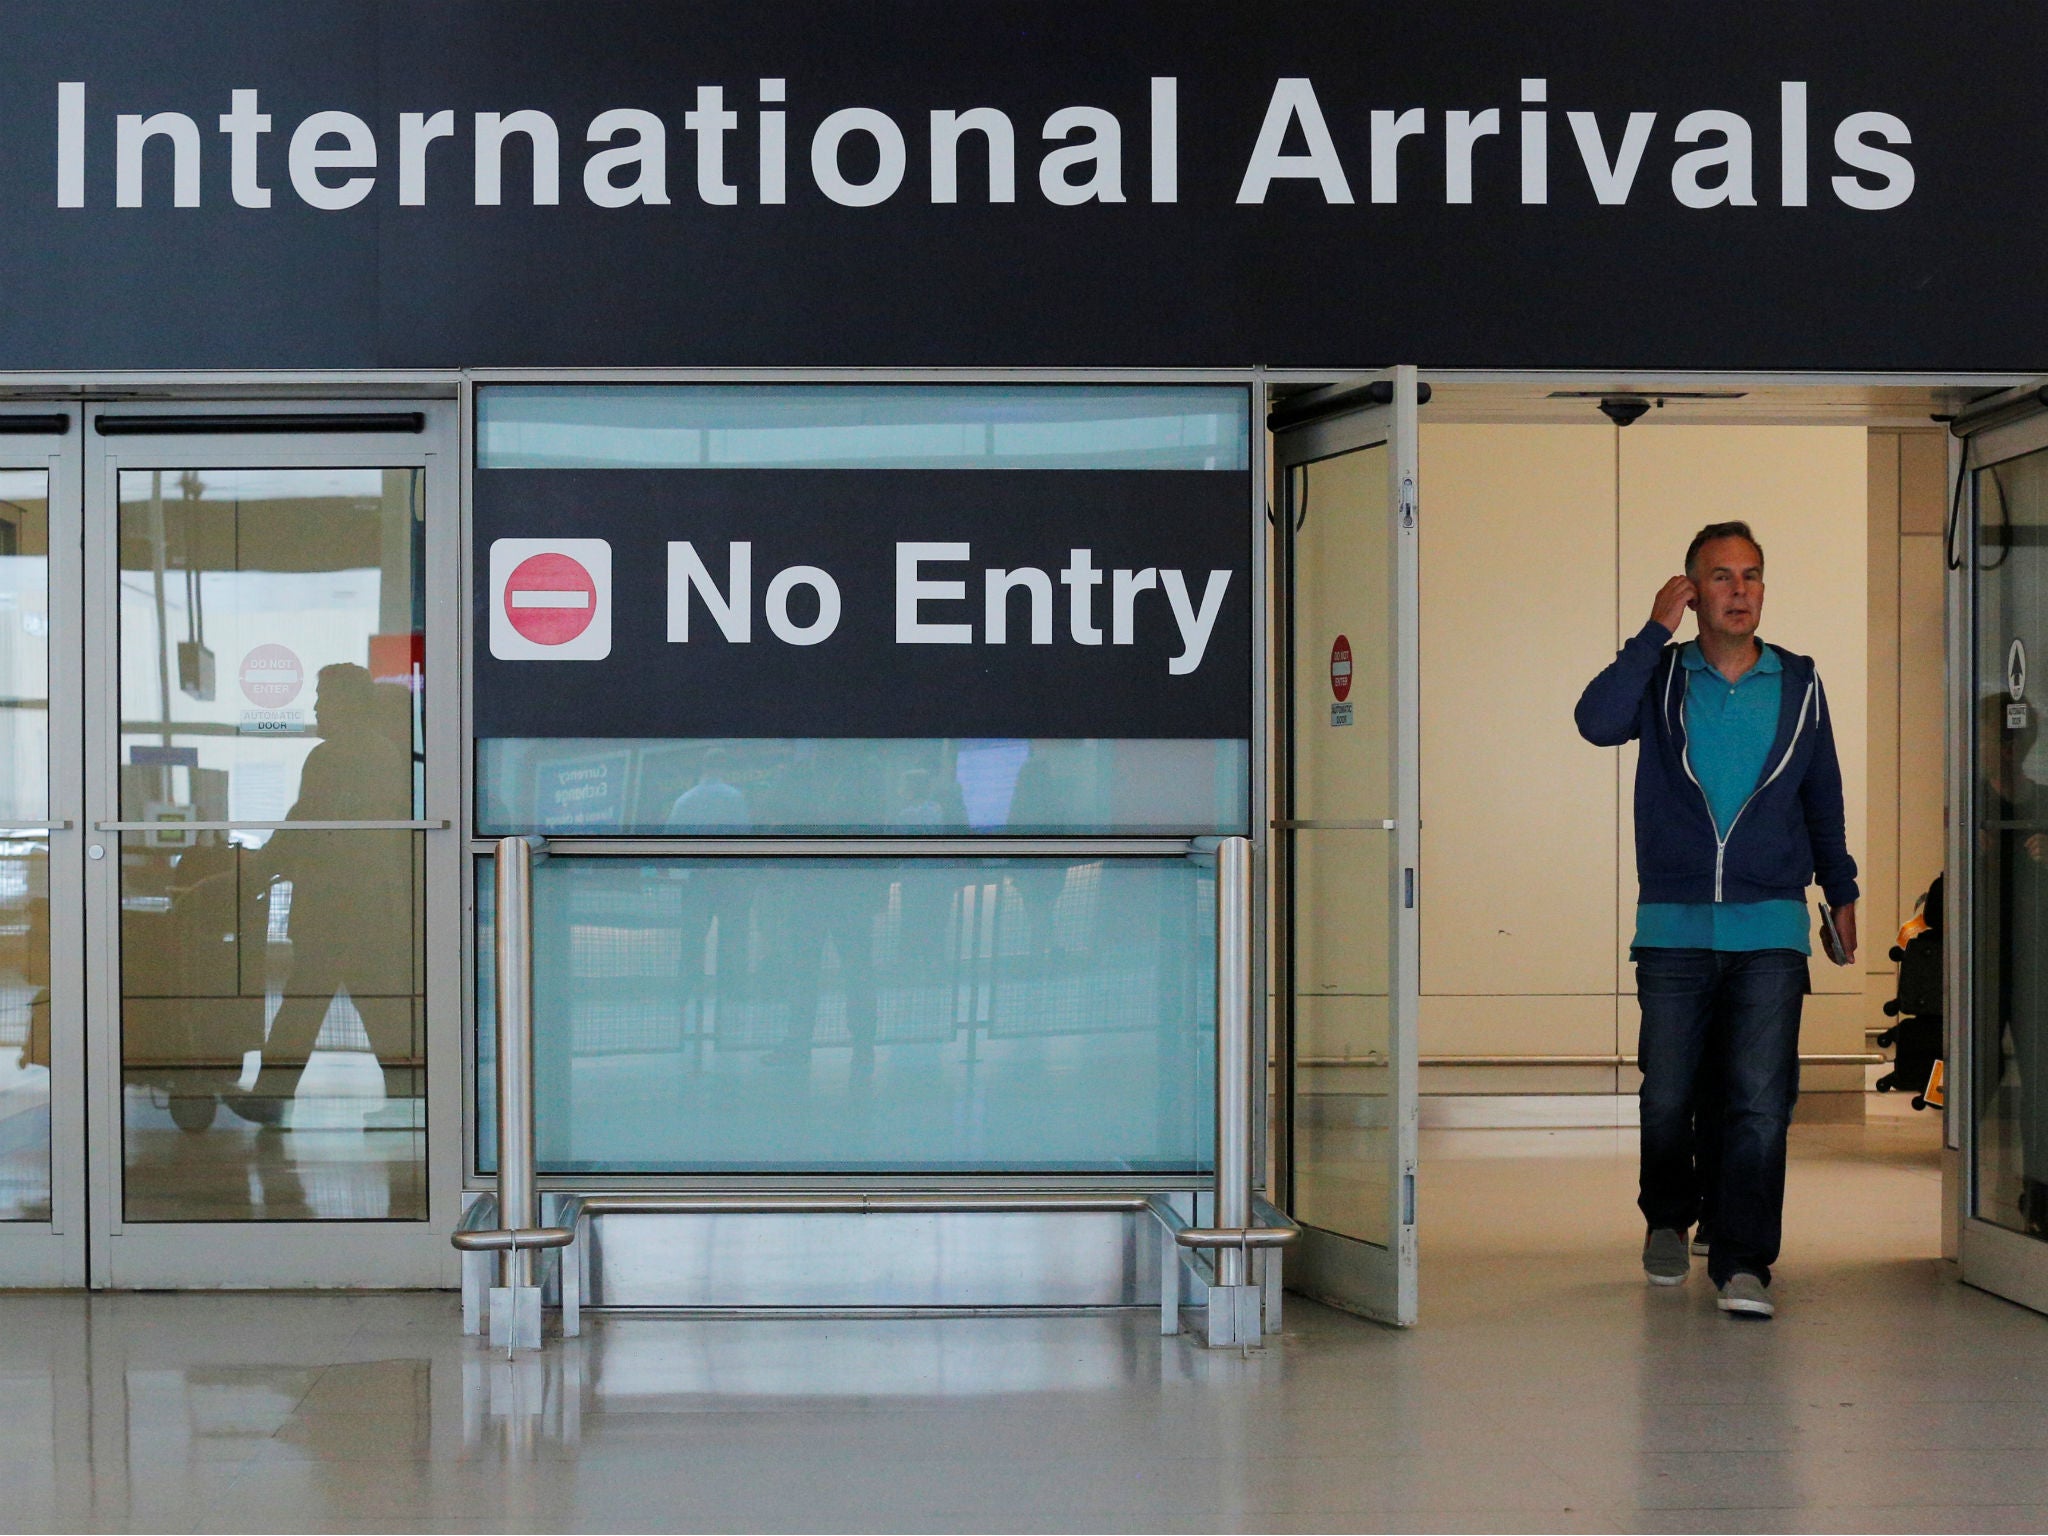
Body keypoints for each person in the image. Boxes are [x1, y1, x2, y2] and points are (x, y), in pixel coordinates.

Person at [1575, 521, 1859, 1319]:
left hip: (1770, 924)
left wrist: (1841, 890)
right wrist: (1652, 631)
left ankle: (1742, 1260)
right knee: (1668, 1094)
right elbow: (1595, 722)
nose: (1741, 591)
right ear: (1693, 590)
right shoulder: (1662, 679)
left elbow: (1822, 796)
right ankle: (1668, 1215)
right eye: (1722, 577)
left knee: (1760, 1099)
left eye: (1752, 576)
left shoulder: (1799, 682)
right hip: (1673, 925)